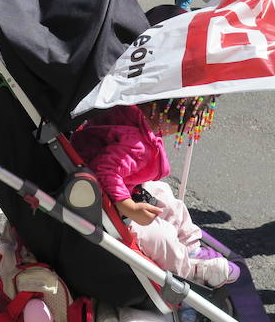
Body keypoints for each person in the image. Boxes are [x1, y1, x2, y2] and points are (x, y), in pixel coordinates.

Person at [72, 97, 240, 288]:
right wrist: (129, 207)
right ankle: (190, 271)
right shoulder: (136, 145)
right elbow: (105, 170)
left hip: (122, 186)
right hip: (108, 209)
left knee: (165, 194)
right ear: (165, 120)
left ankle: (192, 247)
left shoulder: (128, 109)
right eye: (179, 127)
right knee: (162, 236)